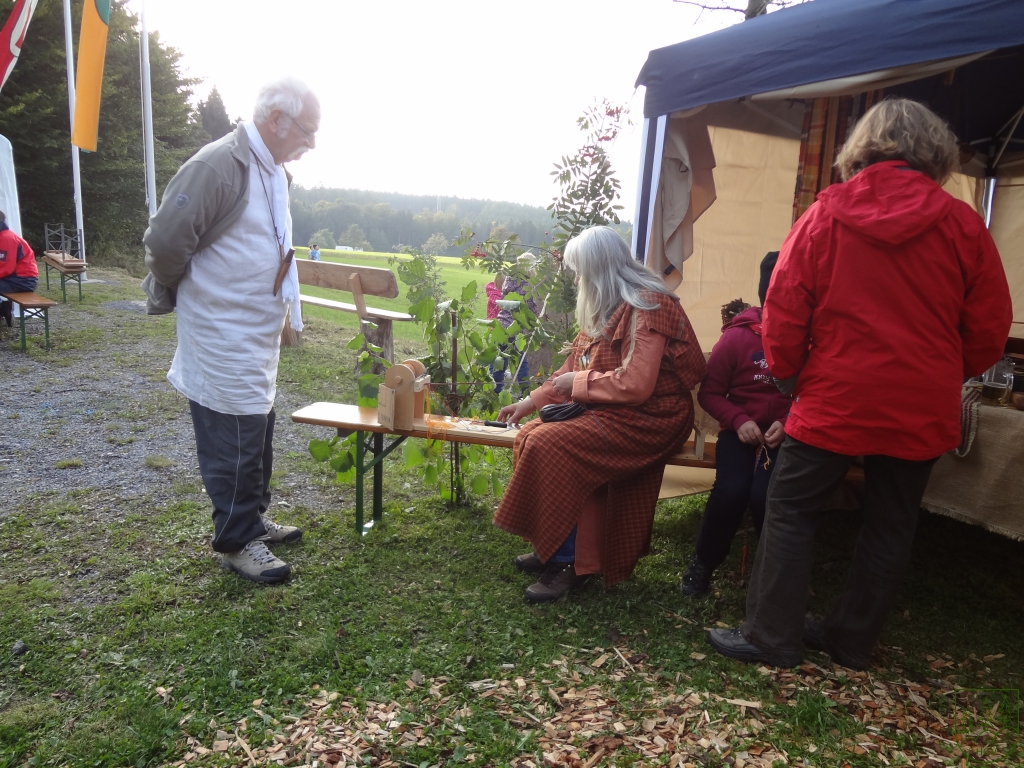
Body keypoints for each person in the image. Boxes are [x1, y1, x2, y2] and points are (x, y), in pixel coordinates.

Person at [708, 98, 1013, 668]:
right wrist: (946, 373)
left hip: (836, 395)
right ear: (937, 150)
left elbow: (784, 310)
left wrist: (791, 377)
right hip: (920, 401)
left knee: (791, 507)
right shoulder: (964, 225)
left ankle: (771, 636)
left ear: (861, 147)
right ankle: (851, 641)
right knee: (891, 522)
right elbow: (990, 328)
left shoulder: (824, 215)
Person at [142, 77, 321, 584]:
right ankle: (236, 541)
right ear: (276, 119)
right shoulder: (218, 164)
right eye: (307, 130)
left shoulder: (273, 170)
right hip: (221, 330)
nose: (312, 142)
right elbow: (164, 243)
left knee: (256, 431)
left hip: (254, 334)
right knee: (233, 439)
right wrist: (200, 295)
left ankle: (253, 520)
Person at [494, 226, 706, 602]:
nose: (577, 280)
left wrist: (579, 382)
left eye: (580, 272)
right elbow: (574, 365)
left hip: (654, 418)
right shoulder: (611, 304)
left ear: (599, 270)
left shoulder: (648, 305)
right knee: (530, 434)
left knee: (551, 445)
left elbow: (636, 384)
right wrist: (530, 402)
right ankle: (552, 546)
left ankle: (569, 564)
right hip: (618, 410)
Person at [681, 252, 791, 596]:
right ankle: (704, 562)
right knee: (730, 492)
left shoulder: (809, 341)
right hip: (740, 434)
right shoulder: (736, 338)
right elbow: (710, 393)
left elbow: (814, 395)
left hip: (788, 438)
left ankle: (773, 576)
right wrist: (739, 420)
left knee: (765, 497)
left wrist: (788, 423)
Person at [493, 254, 540, 393]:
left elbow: (504, 297)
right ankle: (525, 392)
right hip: (517, 328)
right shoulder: (529, 284)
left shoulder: (509, 279)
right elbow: (531, 308)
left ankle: (495, 391)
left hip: (502, 324)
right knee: (521, 362)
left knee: (499, 360)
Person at [0, 212, 38, 327]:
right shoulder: (4, 236)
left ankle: (3, 308)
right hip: (14, 278)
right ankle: (4, 308)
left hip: (22, 281)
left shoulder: (6, 238)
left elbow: (5, 268)